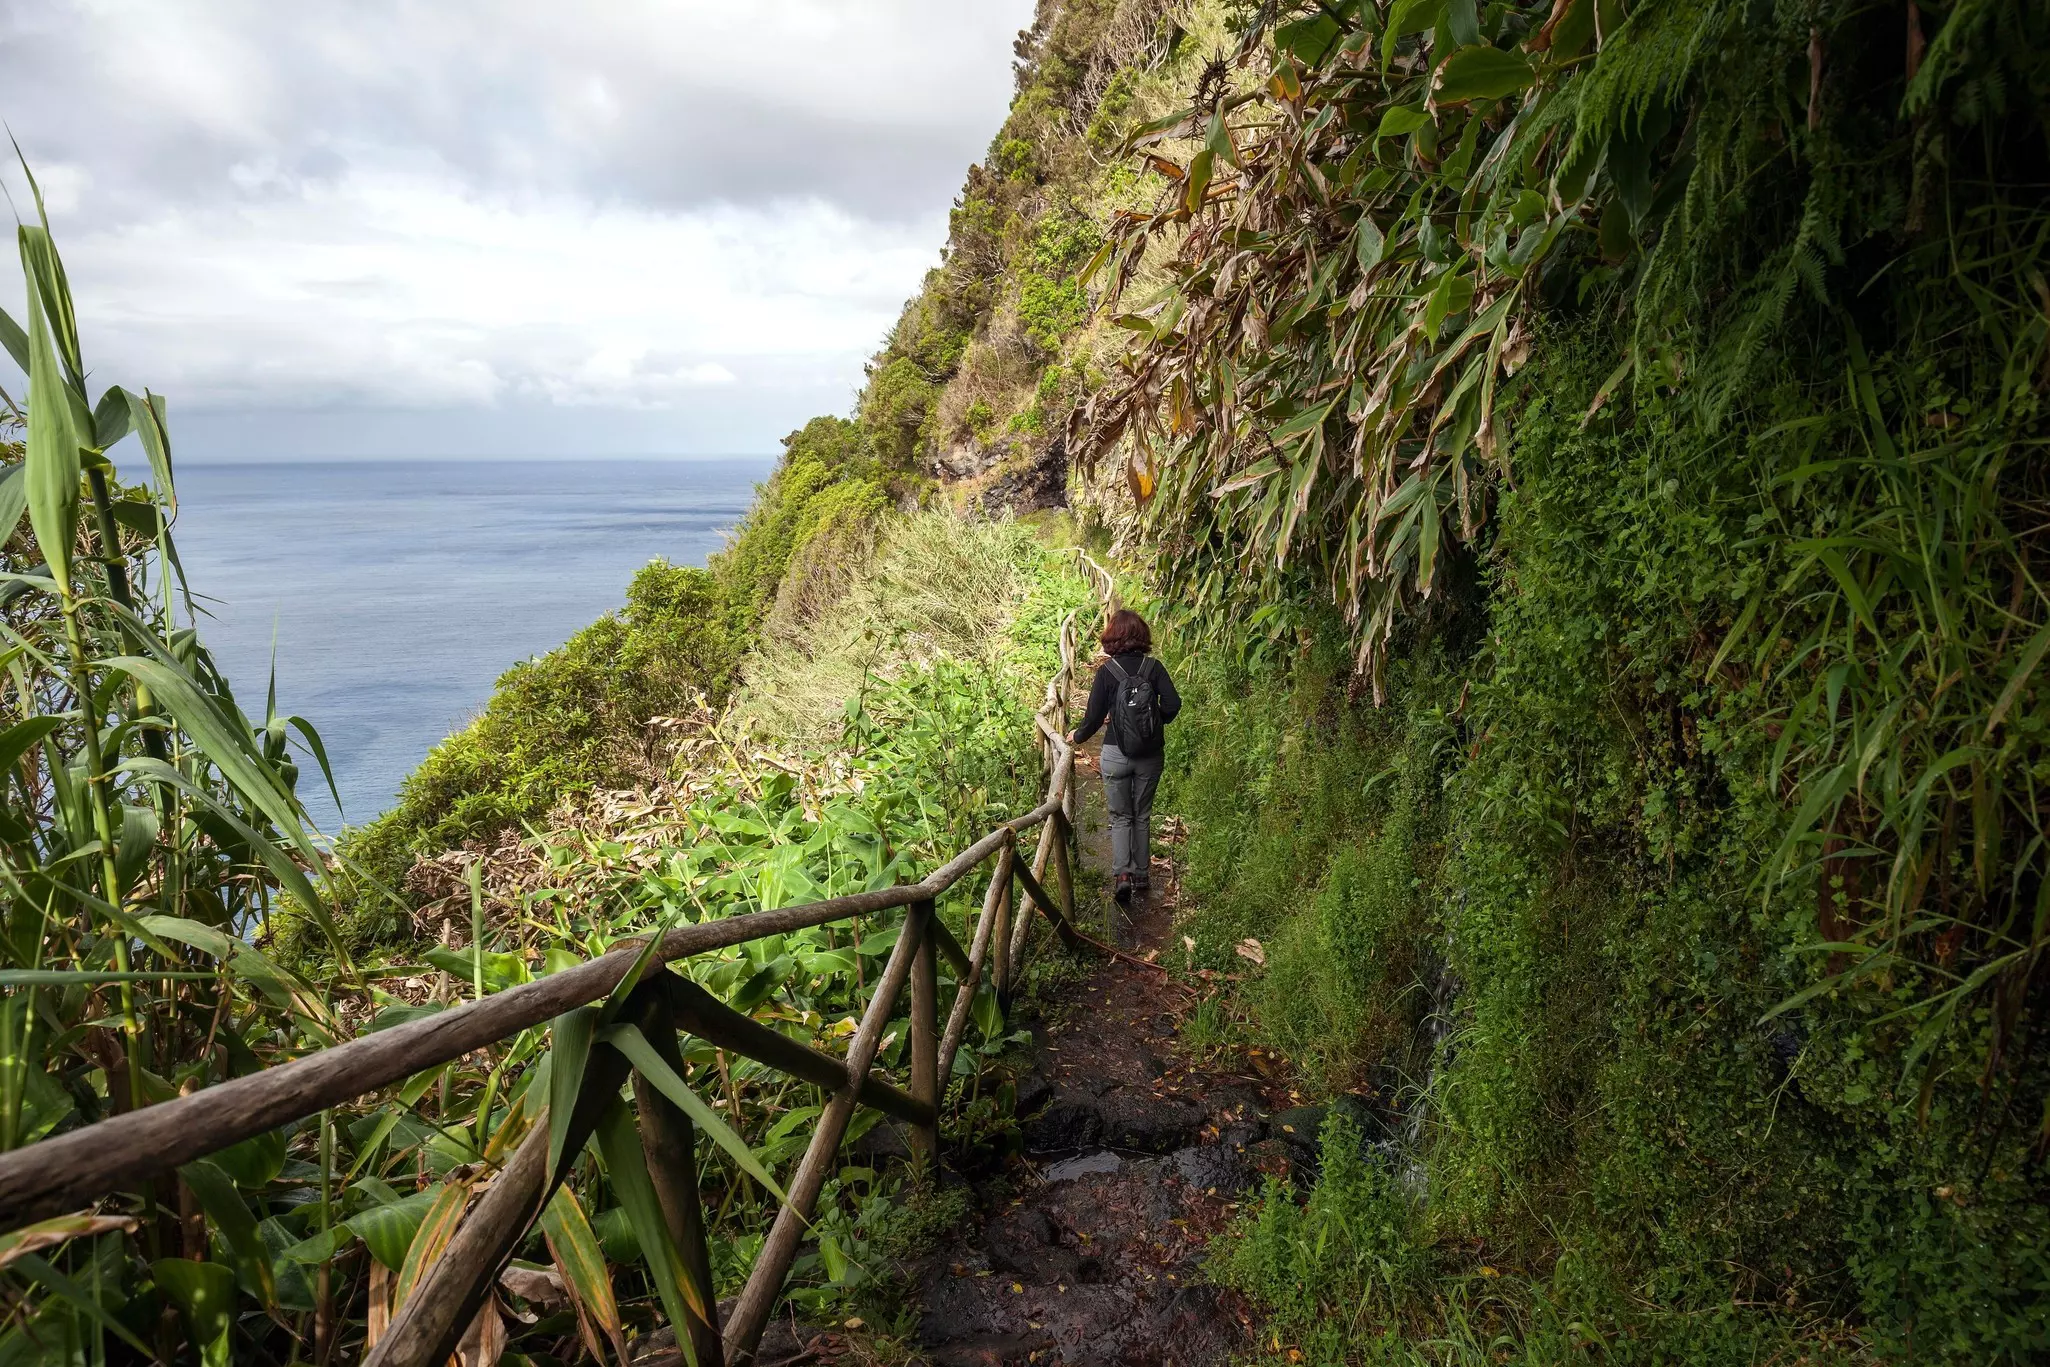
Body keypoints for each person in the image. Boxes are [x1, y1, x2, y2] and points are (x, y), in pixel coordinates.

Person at [1069, 608, 1181, 905]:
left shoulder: (1107, 673)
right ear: (1142, 635)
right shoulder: (1154, 668)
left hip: (1115, 753)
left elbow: (1092, 718)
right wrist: (1154, 722)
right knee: (1141, 815)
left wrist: (1077, 736)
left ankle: (1122, 876)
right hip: (1150, 754)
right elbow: (1173, 704)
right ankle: (1143, 875)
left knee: (1120, 817)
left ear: (1112, 638)